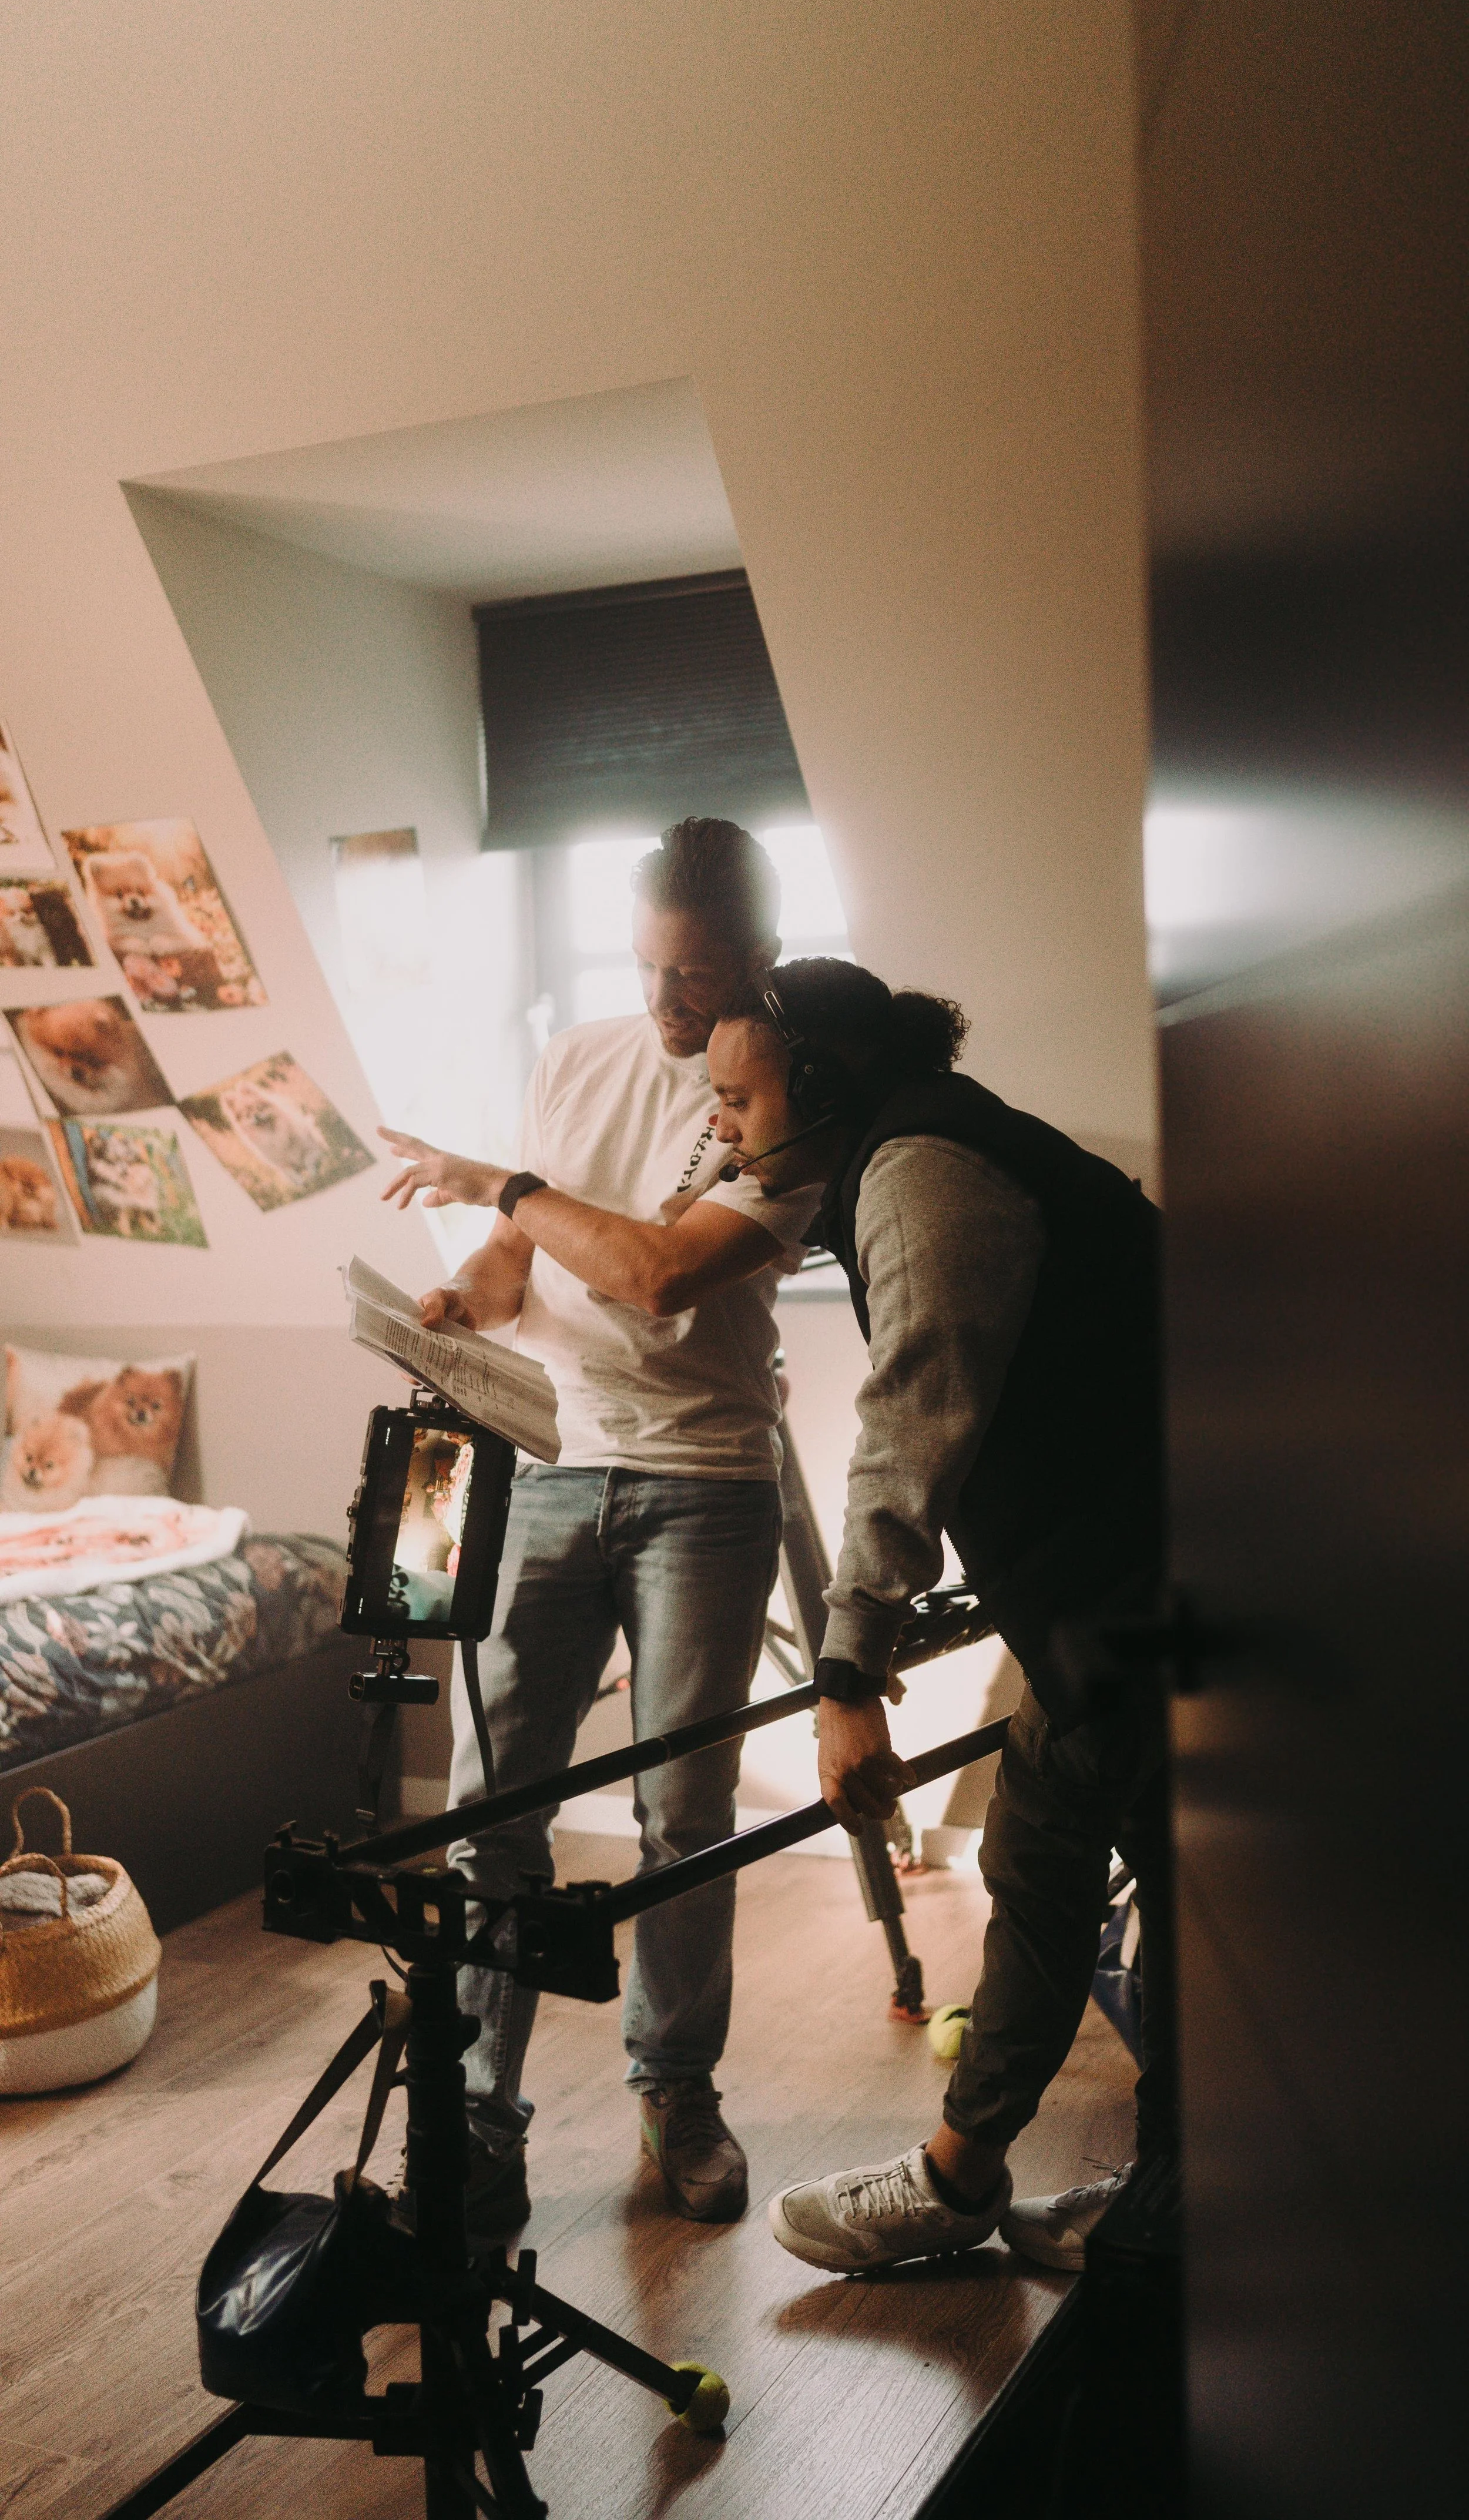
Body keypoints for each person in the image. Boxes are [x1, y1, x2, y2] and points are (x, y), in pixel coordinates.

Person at [378, 819, 823, 2236]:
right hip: (548, 1464)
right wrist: (464, 1297)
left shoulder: (788, 1093)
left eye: (693, 974)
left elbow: (653, 1276)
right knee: (489, 1813)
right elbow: (522, 1254)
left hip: (706, 1479)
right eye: (645, 966)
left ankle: (675, 2089)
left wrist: (500, 1185)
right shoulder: (575, 1055)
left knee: (682, 1815)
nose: (664, 1001)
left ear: (757, 956)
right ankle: (478, 2116)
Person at [698, 959, 1172, 2278]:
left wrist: (845, 1670)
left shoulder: (919, 1173)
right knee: (1129, 1869)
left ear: (822, 1085)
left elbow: (911, 1421)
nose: (720, 1125)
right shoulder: (931, 1144)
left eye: (738, 1099)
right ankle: (1162, 2188)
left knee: (1053, 1853)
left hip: (1152, 1580)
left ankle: (972, 2181)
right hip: (1140, 1571)